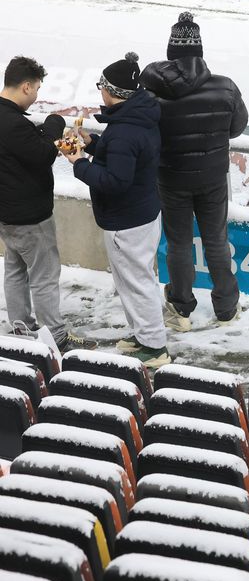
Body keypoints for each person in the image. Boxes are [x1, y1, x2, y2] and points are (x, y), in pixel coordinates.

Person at [59, 53, 170, 367]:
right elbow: (122, 155)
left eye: (102, 86)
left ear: (114, 92)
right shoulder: (136, 118)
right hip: (139, 212)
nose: (100, 92)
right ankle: (143, 335)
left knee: (137, 282)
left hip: (127, 219)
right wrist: (92, 143)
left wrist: (79, 162)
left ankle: (155, 347)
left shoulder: (124, 130)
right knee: (131, 280)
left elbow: (115, 180)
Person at [141, 11, 249, 331]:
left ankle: (180, 309)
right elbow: (237, 127)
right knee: (216, 240)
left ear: (171, 52)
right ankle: (227, 308)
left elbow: (146, 131)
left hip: (171, 178)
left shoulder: (152, 92)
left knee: (178, 244)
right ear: (200, 51)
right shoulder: (225, 87)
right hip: (213, 178)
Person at [0, 57, 96, 351]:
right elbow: (41, 153)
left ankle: (21, 328)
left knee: (15, 269)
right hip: (30, 216)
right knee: (44, 275)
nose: (37, 95)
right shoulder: (13, 123)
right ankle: (55, 336)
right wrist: (54, 124)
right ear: (26, 86)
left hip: (7, 215)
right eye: (37, 88)